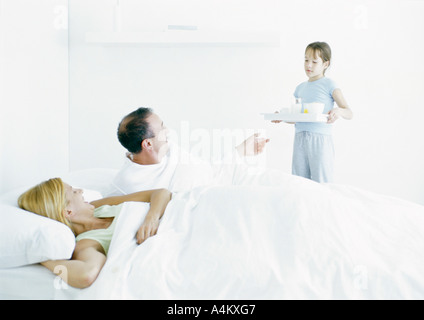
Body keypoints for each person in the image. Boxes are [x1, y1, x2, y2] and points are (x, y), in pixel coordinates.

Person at [18, 178, 172, 288]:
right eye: (74, 191)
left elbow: (161, 193)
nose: (81, 191)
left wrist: (152, 217)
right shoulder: (86, 243)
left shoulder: (98, 206)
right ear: (68, 211)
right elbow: (86, 275)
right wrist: (43, 259)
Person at [108, 107, 271, 196]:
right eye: (162, 128)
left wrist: (242, 150)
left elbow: (208, 170)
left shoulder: (171, 151)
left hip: (225, 181)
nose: (168, 130)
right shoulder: (126, 183)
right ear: (148, 144)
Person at [274, 41, 353, 183]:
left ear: (325, 64)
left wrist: (338, 111)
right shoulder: (300, 88)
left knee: (322, 182)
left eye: (314, 62)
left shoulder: (329, 84)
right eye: (306, 60)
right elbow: (297, 117)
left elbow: (349, 112)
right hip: (300, 139)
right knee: (298, 181)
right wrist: (282, 116)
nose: (308, 65)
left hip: (320, 139)